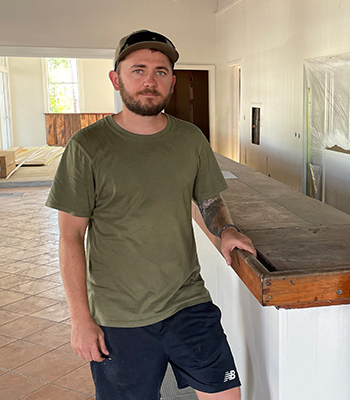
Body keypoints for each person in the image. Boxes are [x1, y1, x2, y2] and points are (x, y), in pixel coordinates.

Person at [46, 29, 255, 400]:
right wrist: (80, 318)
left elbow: (209, 200)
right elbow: (70, 236)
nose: (149, 80)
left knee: (227, 395)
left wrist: (227, 230)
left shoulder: (190, 139)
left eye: (160, 71)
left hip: (187, 301)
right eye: (138, 69)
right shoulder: (87, 147)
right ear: (116, 78)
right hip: (119, 315)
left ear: (172, 81)